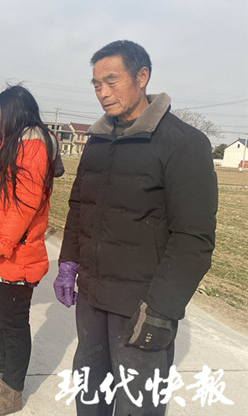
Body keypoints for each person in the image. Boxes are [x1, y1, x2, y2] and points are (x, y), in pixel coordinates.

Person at [54, 40, 218, 415]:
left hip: (141, 304)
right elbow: (79, 206)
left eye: (112, 81)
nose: (103, 92)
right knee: (90, 396)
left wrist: (161, 309)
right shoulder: (97, 141)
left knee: (137, 404)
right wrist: (69, 262)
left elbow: (193, 239)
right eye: (96, 84)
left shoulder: (183, 144)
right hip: (92, 298)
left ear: (142, 77)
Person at [0, 85, 58, 416]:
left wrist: (2, 242)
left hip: (17, 253)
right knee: (0, 314)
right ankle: (0, 371)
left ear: (15, 113)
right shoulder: (13, 142)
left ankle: (11, 392)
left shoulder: (33, 145)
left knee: (14, 324)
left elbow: (26, 202)